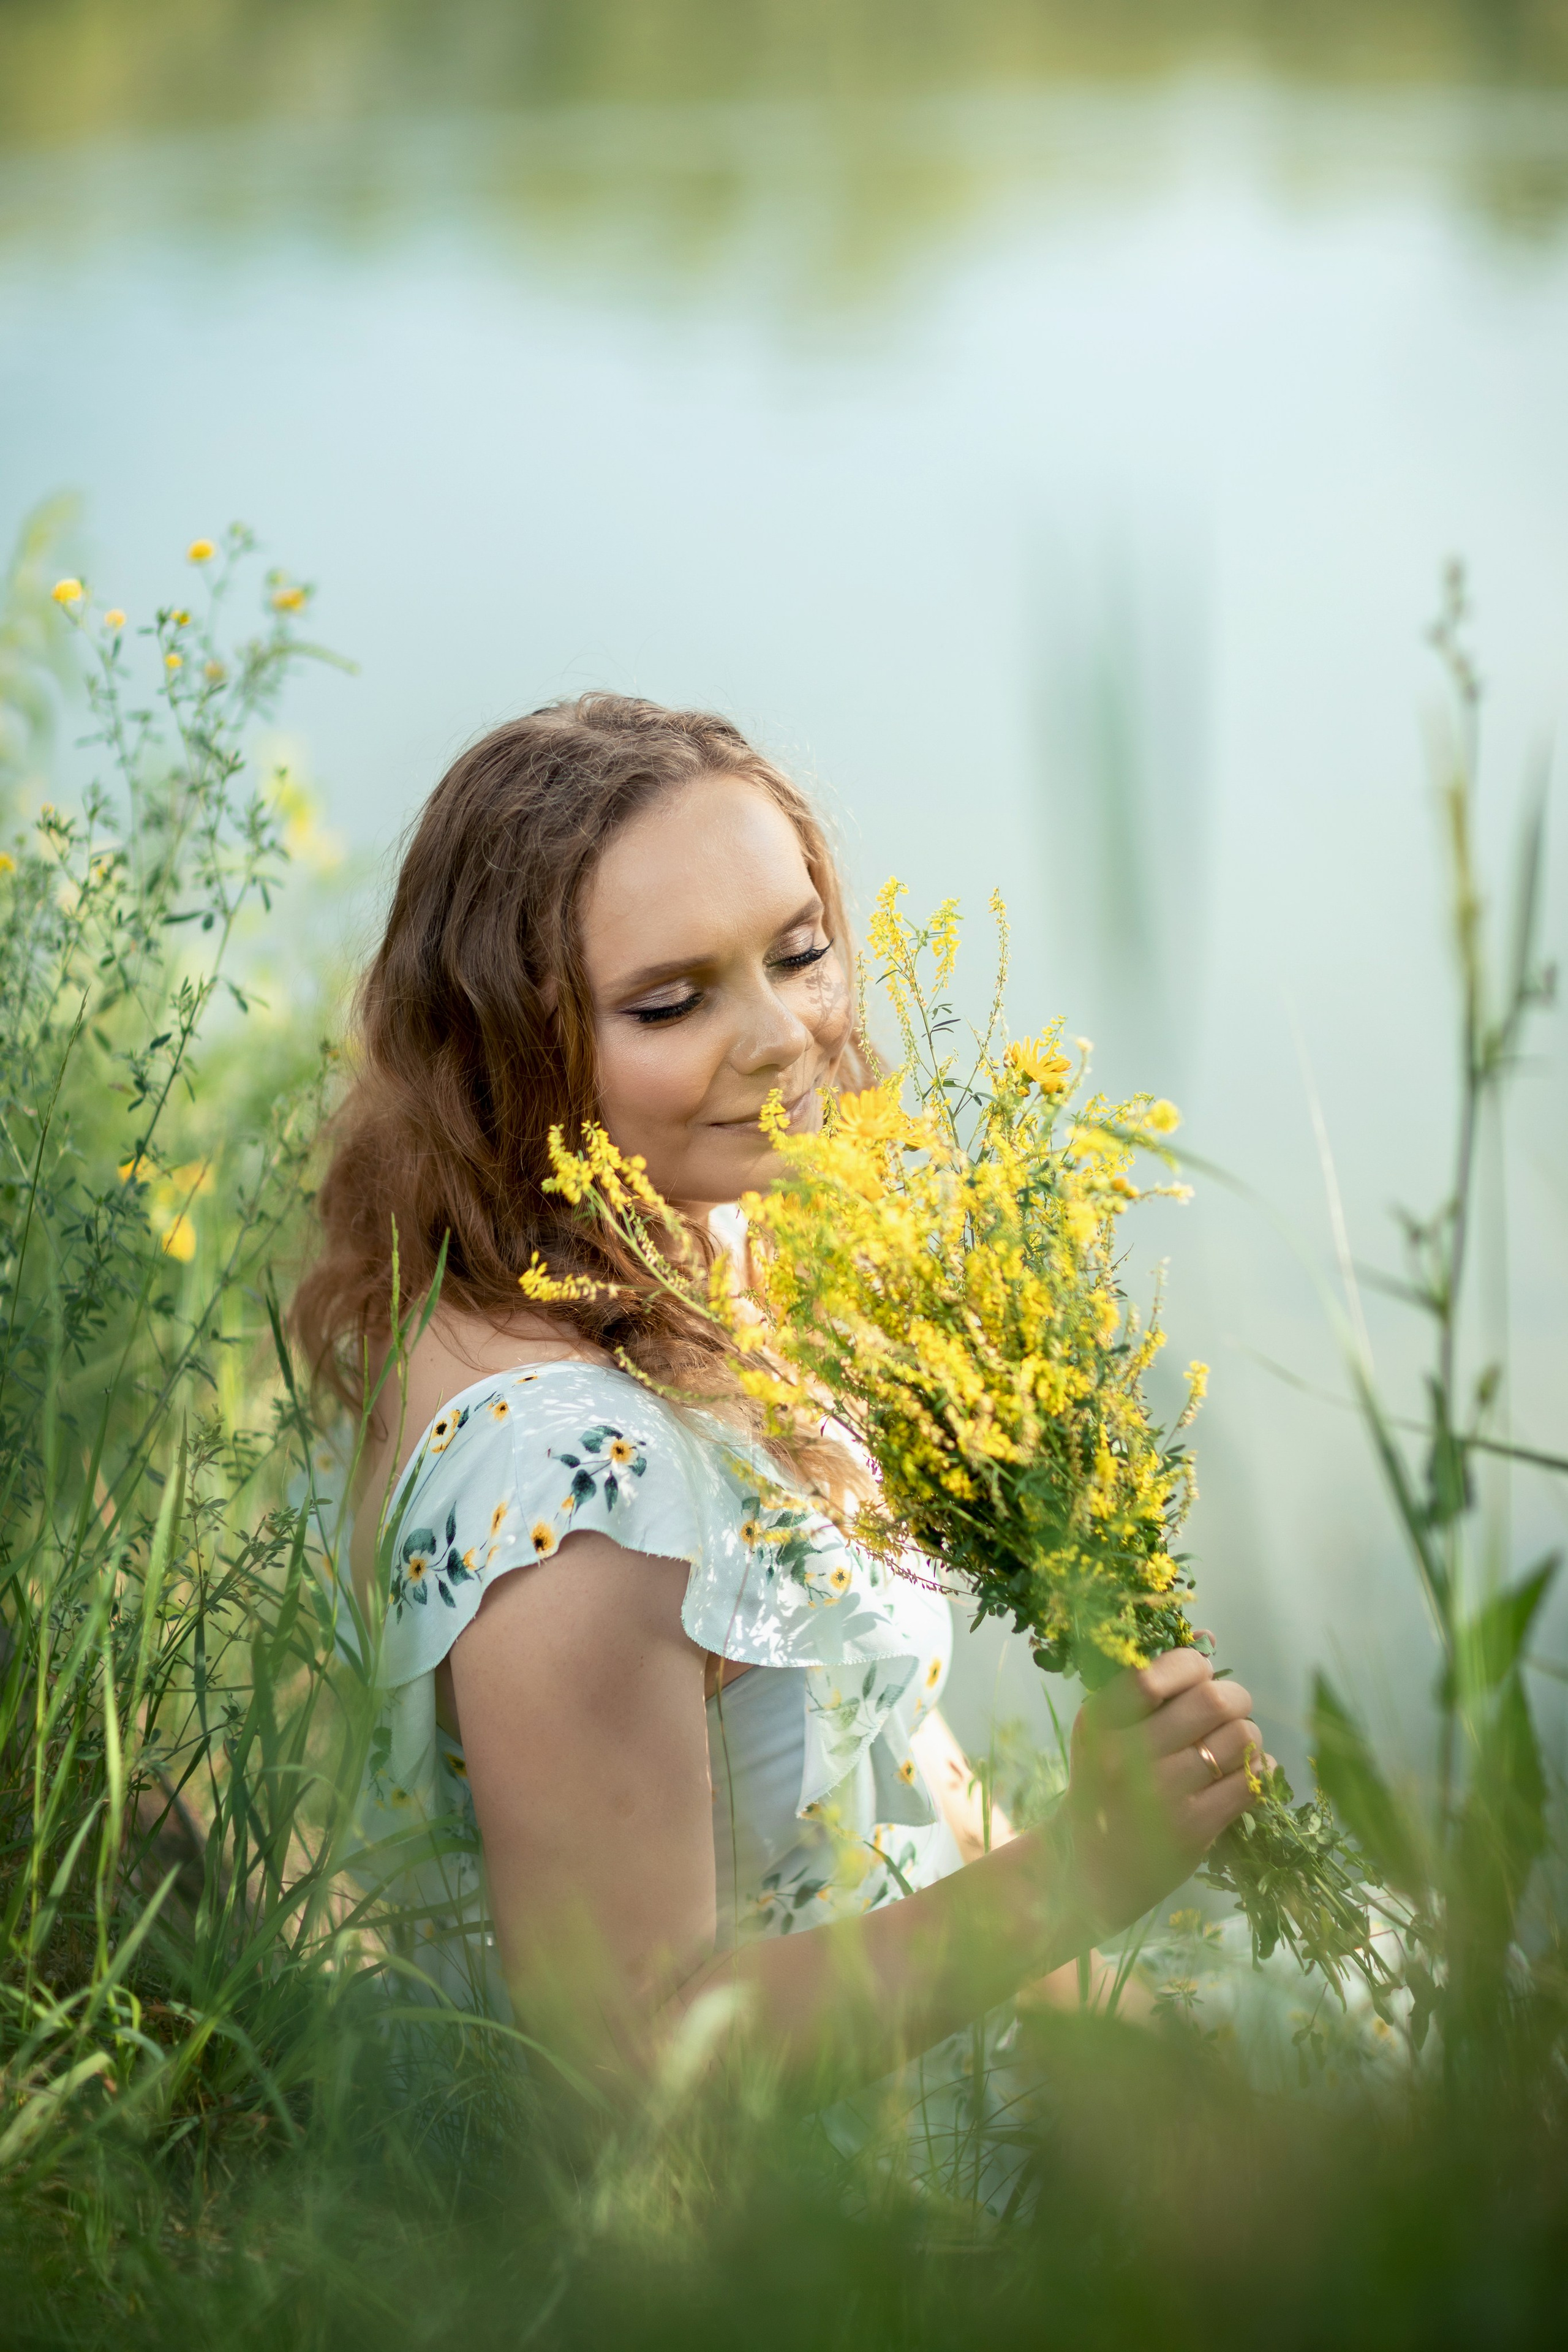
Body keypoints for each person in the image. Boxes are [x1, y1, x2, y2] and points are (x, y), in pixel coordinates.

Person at [292, 695, 1264, 2188]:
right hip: (830, 2221)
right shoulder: (575, 1486)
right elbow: (629, 2067)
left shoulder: (687, 1253)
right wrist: (1081, 1875)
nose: (782, 1038)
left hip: (963, 2039)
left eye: (797, 952)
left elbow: (879, 1762)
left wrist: (1126, 2032)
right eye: (669, 1004)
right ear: (509, 1056)